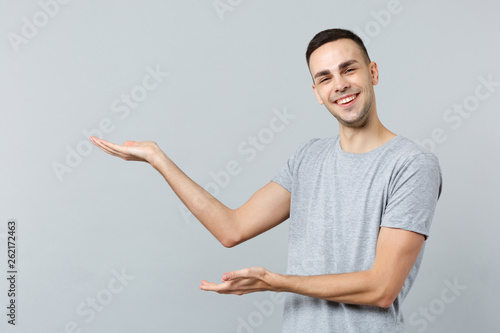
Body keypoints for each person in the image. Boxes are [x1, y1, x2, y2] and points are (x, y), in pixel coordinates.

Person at [90, 28, 442, 332]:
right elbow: (232, 228)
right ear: (317, 94)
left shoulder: (411, 165)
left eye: (348, 69)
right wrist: (159, 160)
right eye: (325, 78)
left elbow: (381, 287)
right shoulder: (308, 158)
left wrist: (276, 282)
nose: (340, 85)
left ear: (373, 72)